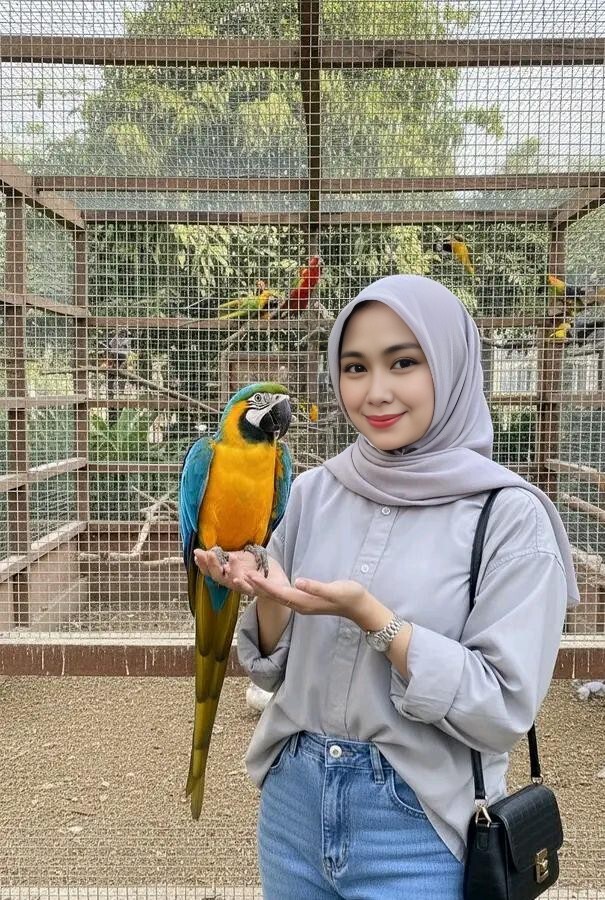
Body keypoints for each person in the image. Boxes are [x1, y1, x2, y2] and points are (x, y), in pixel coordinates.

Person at [194, 275, 578, 900]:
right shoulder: (312, 492)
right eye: (354, 367)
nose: (375, 391)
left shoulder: (510, 518)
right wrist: (268, 594)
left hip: (420, 826)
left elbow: (503, 709)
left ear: (451, 365)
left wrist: (377, 621)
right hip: (292, 809)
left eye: (403, 362)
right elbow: (267, 669)